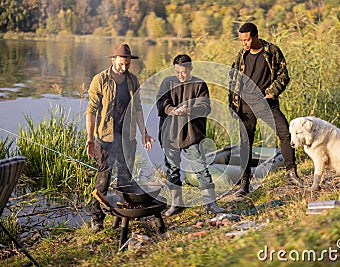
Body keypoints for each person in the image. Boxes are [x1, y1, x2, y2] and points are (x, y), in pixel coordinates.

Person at [228, 22, 305, 196]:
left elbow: (283, 75)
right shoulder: (241, 54)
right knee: (245, 143)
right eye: (241, 40)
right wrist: (232, 104)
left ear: (255, 36)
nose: (244, 44)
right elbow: (233, 79)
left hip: (266, 103)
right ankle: (244, 185)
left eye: (247, 40)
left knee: (285, 133)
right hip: (245, 105)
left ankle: (292, 174)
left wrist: (271, 93)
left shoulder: (272, 51)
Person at [86, 43, 154, 232]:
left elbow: (138, 108)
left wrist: (144, 133)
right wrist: (90, 139)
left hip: (127, 137)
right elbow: (90, 111)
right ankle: (96, 218)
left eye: (128, 64)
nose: (124, 68)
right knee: (104, 179)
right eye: (121, 64)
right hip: (105, 138)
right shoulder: (99, 80)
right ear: (113, 60)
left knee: (126, 178)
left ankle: (125, 215)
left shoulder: (133, 80)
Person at [156, 54, 226, 216]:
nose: (180, 75)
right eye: (177, 72)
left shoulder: (199, 84)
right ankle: (176, 204)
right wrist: (172, 110)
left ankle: (210, 203)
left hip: (191, 134)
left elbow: (205, 107)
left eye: (183, 72)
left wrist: (189, 110)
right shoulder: (167, 82)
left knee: (201, 168)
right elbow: (161, 103)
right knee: (172, 170)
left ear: (191, 69)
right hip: (170, 134)